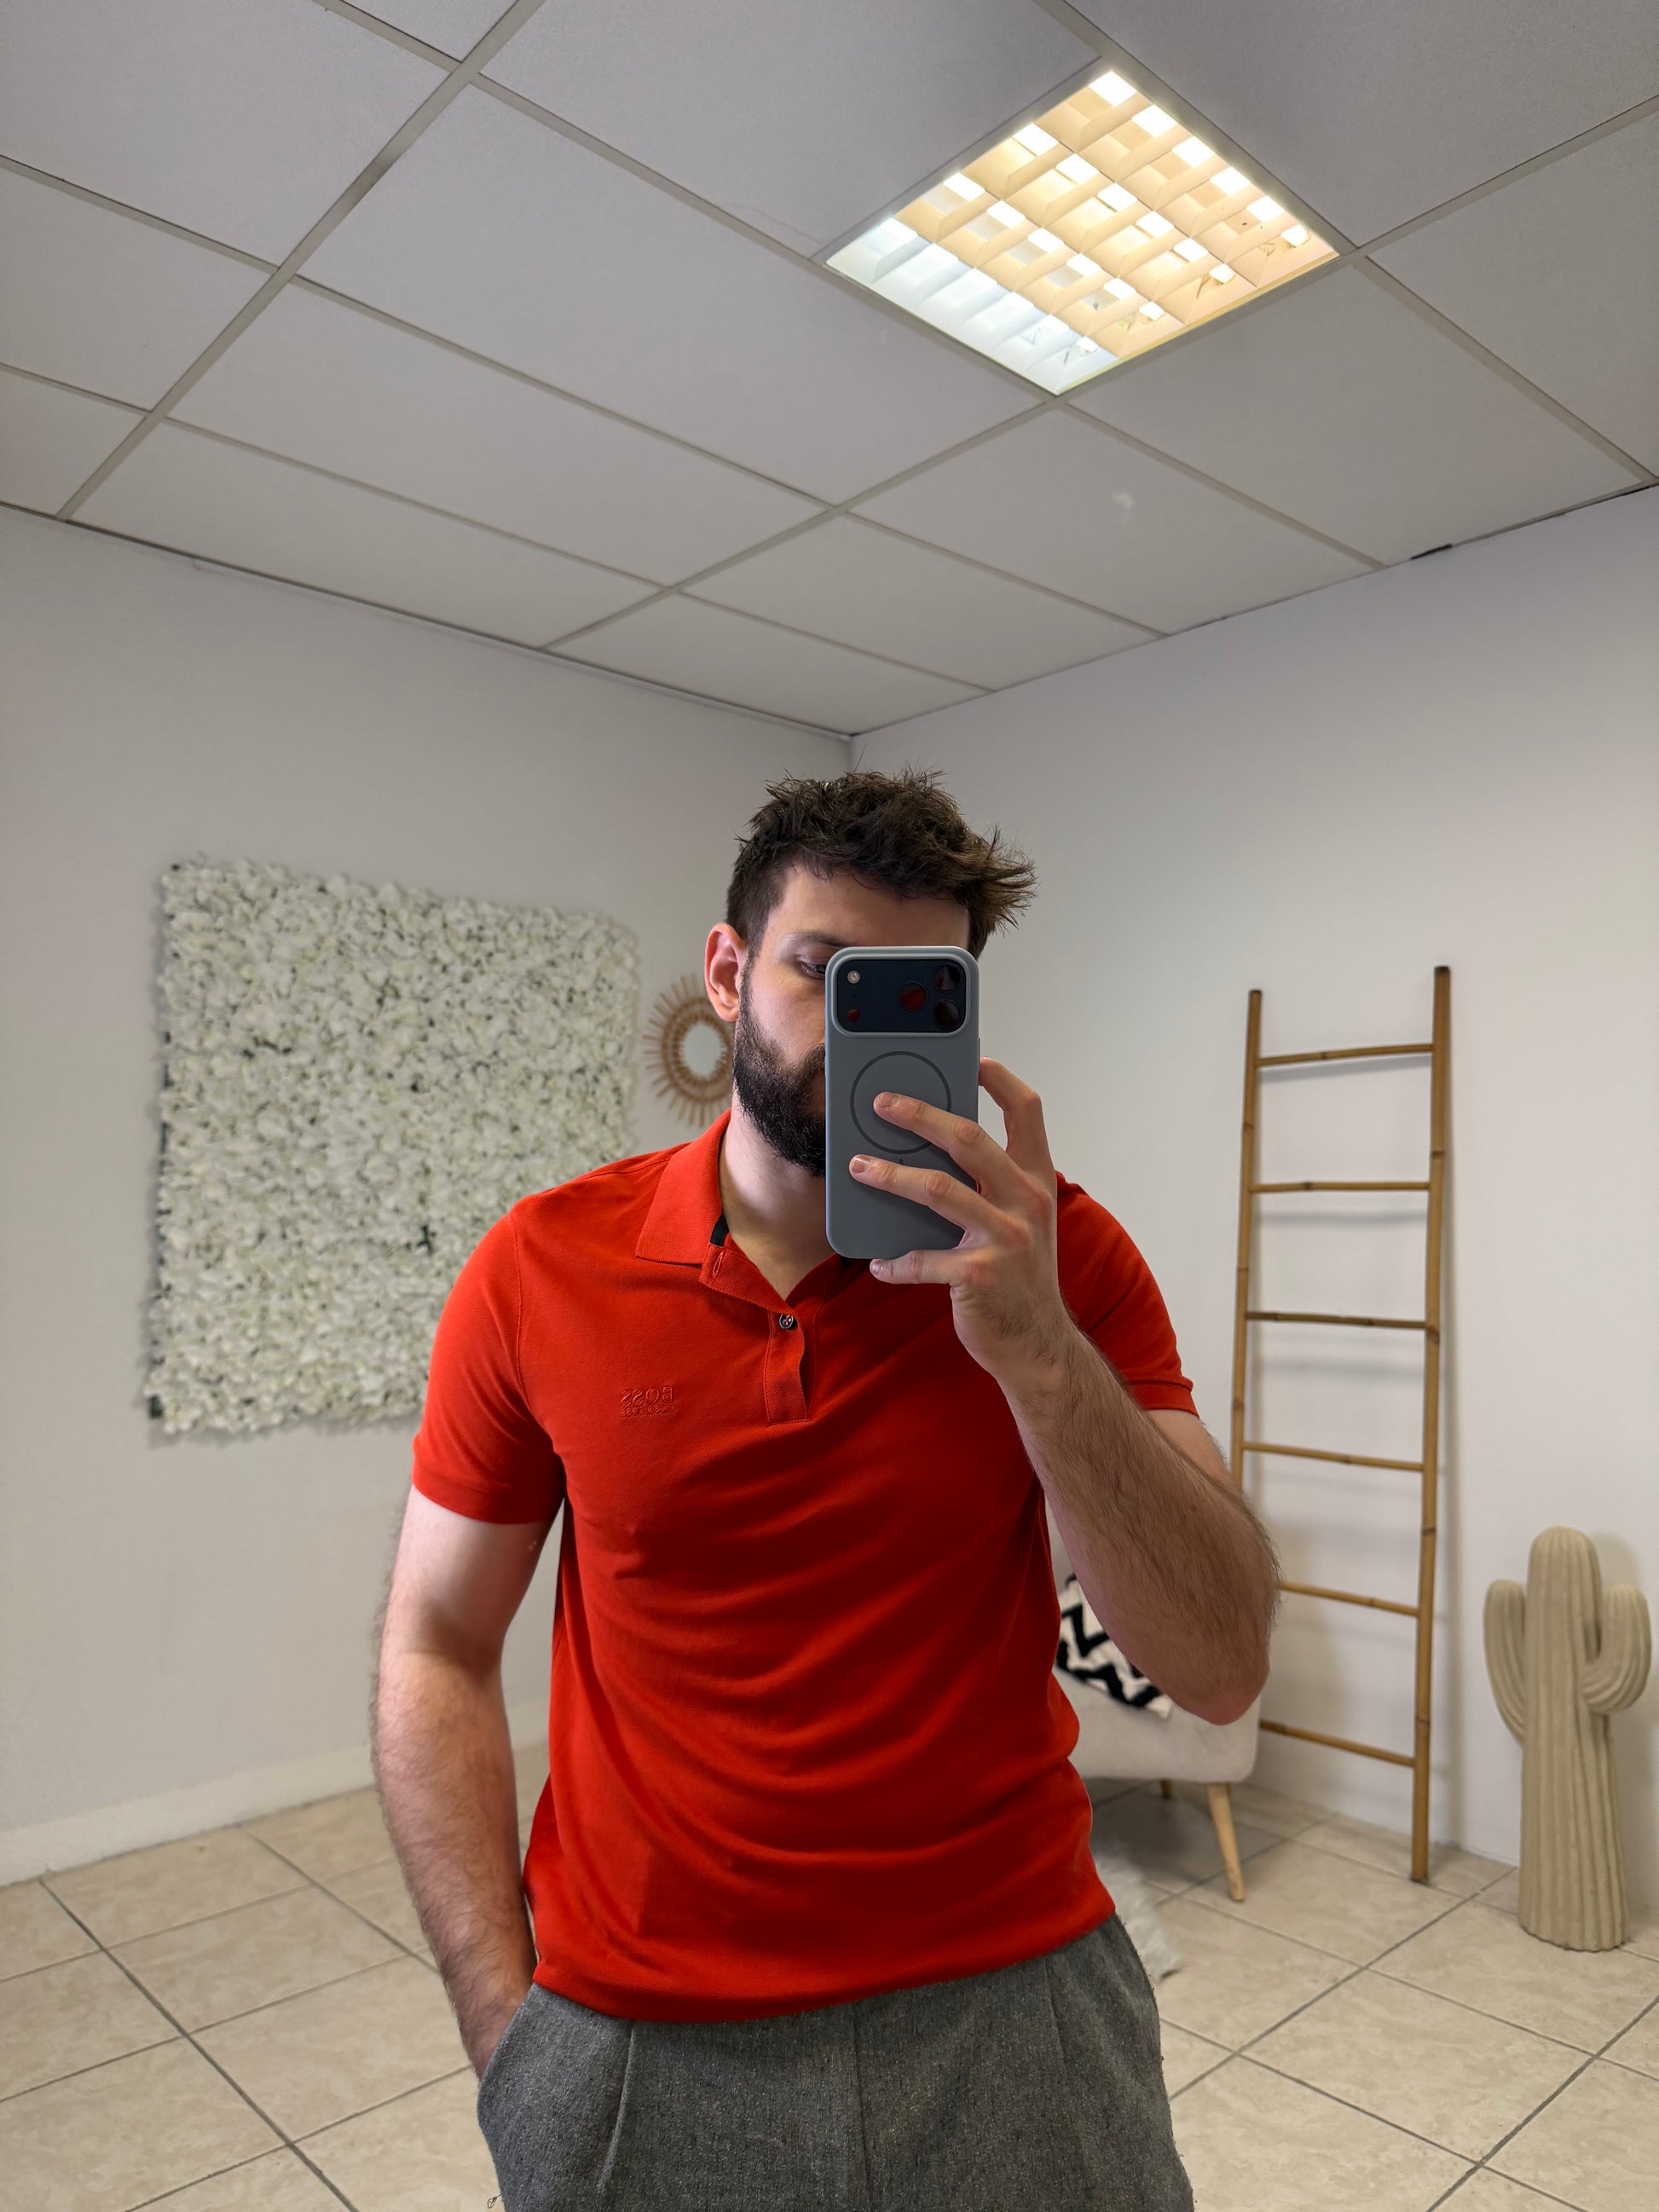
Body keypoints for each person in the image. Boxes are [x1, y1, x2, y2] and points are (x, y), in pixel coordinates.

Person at [372, 768, 1278, 2211]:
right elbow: (435, 1642)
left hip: (1016, 1999)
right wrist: (505, 2037)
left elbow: (1219, 1663)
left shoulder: (1060, 1258)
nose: (863, 1028)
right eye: (821, 971)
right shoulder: (539, 1268)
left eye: (913, 990)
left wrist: (1039, 1354)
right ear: (729, 972)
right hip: (635, 2027)